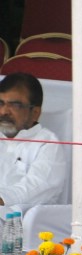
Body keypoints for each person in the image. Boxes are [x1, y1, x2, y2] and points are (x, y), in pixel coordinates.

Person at [0, 72, 68, 207]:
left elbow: (35, 188)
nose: (4, 112)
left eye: (15, 105)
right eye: (1, 103)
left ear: (35, 113)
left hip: (21, 223)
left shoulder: (47, 144)